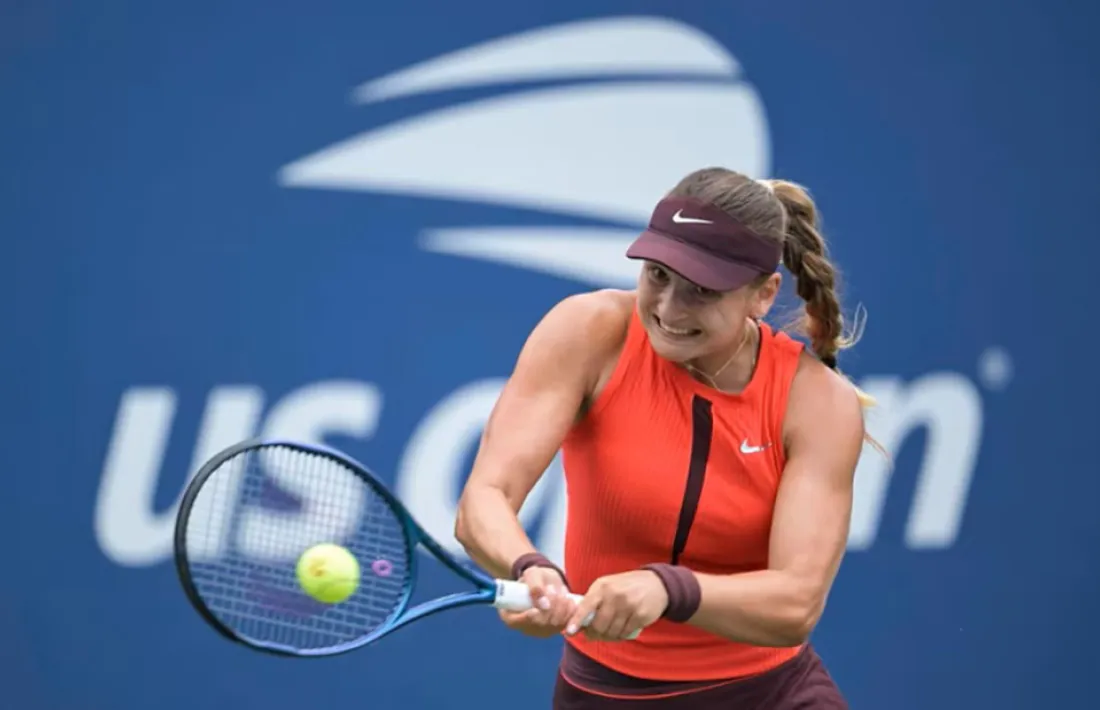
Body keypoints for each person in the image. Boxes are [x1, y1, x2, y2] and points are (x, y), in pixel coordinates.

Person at [454, 167, 881, 708]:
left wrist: (667, 588)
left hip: (770, 696)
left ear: (763, 295)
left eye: (703, 290)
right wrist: (530, 569)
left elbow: (796, 604)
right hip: (604, 694)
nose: (670, 309)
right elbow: (484, 499)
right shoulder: (587, 332)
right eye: (658, 274)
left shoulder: (818, 403)